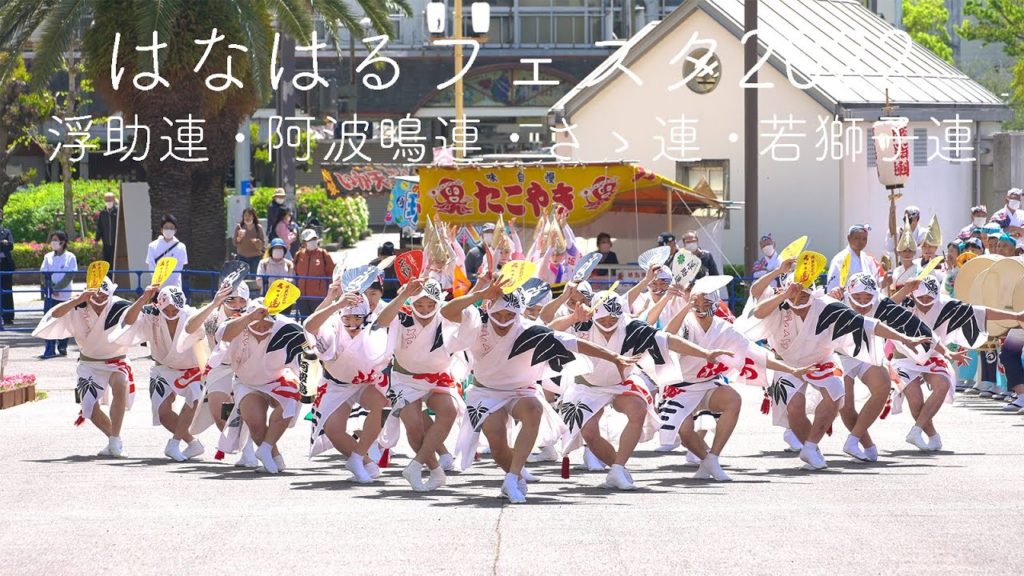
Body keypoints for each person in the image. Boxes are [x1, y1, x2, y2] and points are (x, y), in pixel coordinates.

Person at [449, 279, 638, 503]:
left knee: (533, 409)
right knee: (497, 442)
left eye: (509, 315)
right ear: (489, 309)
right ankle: (516, 476)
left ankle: (511, 478)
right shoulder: (477, 324)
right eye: (498, 315)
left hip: (521, 391)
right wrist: (478, 294)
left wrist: (614, 357)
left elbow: (571, 342)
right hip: (485, 392)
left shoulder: (529, 330)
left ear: (518, 313)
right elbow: (446, 311)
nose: (503, 321)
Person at [742, 259, 927, 470]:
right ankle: (812, 448)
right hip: (787, 363)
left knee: (835, 395)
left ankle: (811, 446)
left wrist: (905, 338)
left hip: (823, 361)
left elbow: (867, 325)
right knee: (794, 408)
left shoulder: (826, 307)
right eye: (795, 292)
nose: (799, 297)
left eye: (804, 293)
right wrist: (783, 288)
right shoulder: (779, 304)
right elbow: (757, 310)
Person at [550, 290, 732, 487]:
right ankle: (617, 469)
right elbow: (549, 331)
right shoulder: (581, 323)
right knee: (590, 433)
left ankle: (618, 468)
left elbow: (667, 339)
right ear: (595, 314)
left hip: (621, 383)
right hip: (586, 386)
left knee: (638, 408)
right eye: (604, 318)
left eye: (614, 319)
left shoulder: (632, 328)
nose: (609, 323)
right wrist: (573, 317)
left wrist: (705, 353)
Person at [889, 277, 1024, 450]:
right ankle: (933, 437)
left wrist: (1016, 316)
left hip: (934, 354)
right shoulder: (905, 302)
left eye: (929, 298)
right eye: (920, 298)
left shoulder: (948, 305)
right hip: (905, 356)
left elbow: (982, 311)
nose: (924, 302)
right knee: (915, 401)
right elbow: (884, 309)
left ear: (937, 295)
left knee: (942, 385)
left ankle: (916, 431)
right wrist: (904, 290)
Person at [373, 278, 476, 491]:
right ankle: (435, 469)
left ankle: (416, 464)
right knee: (413, 423)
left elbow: (466, 311)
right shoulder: (402, 316)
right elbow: (381, 322)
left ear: (438, 302)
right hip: (405, 380)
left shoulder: (446, 318)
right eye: (419, 304)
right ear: (412, 303)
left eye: (430, 304)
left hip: (437, 377)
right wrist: (403, 295)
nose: (425, 309)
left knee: (449, 411)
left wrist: (481, 289)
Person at [830, 273, 933, 461]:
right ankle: (866, 445)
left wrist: (907, 290)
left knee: (883, 386)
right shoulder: (836, 299)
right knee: (845, 403)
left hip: (868, 353)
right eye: (858, 297)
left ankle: (852, 440)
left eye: (867, 297)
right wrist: (830, 296)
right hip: (838, 355)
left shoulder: (879, 302)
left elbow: (887, 307)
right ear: (849, 293)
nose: (862, 301)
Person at [32, 277, 137, 457]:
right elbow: (54, 316)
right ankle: (114, 439)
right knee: (89, 408)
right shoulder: (78, 306)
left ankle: (115, 439)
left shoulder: (119, 306)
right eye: (96, 297)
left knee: (120, 386)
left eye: (104, 297)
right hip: (89, 363)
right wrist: (77, 300)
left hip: (116, 361)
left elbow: (135, 319)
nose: (99, 301)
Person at [305, 287, 392, 483]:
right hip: (336, 385)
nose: (352, 323)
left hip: (363, 384)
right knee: (334, 430)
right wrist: (336, 303)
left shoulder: (374, 329)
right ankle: (367, 463)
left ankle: (358, 456)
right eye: (347, 318)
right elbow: (309, 326)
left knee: (381, 404)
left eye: (357, 318)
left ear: (365, 316)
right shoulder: (332, 328)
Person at [114, 284, 208, 462]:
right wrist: (143, 298)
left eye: (176, 308)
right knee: (163, 413)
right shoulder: (151, 314)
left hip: (191, 369)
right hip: (163, 368)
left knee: (193, 400)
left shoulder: (190, 314)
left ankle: (174, 443)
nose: (172, 312)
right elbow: (128, 321)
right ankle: (193, 444)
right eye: (168, 308)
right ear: (160, 305)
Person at [218, 298, 307, 474]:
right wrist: (250, 317)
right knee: (256, 424)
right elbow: (223, 335)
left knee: (291, 399)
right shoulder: (237, 324)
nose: (262, 328)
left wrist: (311, 388)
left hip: (278, 379)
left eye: (266, 324)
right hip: (246, 382)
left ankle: (265, 448)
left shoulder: (287, 328)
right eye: (257, 324)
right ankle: (274, 455)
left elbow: (305, 361)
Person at [181, 280, 256, 467]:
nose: (237, 305)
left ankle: (249, 451)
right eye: (231, 300)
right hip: (220, 368)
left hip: (247, 368)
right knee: (219, 411)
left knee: (248, 410)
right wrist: (214, 303)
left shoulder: (253, 314)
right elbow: (189, 328)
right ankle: (239, 446)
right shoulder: (213, 317)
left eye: (241, 301)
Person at [39, 231, 77, 359]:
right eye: (52, 240)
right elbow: (43, 274)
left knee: (64, 322)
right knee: (49, 320)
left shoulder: (70, 256)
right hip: (50, 295)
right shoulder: (47, 256)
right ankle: (50, 347)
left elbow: (70, 275)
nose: (53, 243)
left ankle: (62, 345)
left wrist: (58, 288)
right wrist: (50, 287)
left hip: (65, 295)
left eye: (55, 240)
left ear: (63, 242)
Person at [293, 229, 334, 318]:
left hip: (318, 296)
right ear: (303, 242)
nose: (313, 242)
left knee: (318, 320)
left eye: (314, 239)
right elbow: (295, 273)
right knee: (304, 321)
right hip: (302, 296)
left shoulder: (323, 254)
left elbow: (331, 272)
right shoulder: (299, 255)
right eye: (310, 240)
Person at [826, 224, 880, 291]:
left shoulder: (868, 259)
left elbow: (874, 282)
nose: (861, 241)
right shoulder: (840, 259)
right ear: (849, 238)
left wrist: (883, 282)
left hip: (867, 299)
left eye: (864, 239)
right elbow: (833, 286)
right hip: (846, 299)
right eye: (857, 238)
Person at [145, 214, 188, 290]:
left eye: (171, 228)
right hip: (157, 287)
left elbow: (180, 266)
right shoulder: (152, 246)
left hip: (175, 287)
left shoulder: (181, 247)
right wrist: (158, 280)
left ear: (175, 230)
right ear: (161, 229)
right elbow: (151, 265)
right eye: (166, 228)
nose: (169, 230)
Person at [233, 207, 265, 272]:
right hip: (242, 256)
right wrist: (239, 237)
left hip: (255, 257)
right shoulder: (239, 227)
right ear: (243, 216)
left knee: (254, 277)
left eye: (249, 215)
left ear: (253, 217)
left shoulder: (258, 227)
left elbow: (262, 244)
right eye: (246, 215)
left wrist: (257, 241)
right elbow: (235, 243)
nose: (247, 217)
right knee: (242, 277)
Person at [0, 208, 16, 324]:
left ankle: (8, 316)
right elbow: (5, 244)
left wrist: (5, 243)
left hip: (5, 264)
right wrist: (3, 243)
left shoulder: (6, 231)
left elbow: (10, 245)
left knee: (7, 290)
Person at [96, 192, 118, 267]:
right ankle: (108, 278)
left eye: (110, 200)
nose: (108, 202)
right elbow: (99, 227)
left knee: (115, 263)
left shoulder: (118, 212)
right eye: (107, 200)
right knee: (106, 263)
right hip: (106, 243)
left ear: (114, 200)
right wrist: (96, 239)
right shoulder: (103, 213)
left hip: (116, 243)